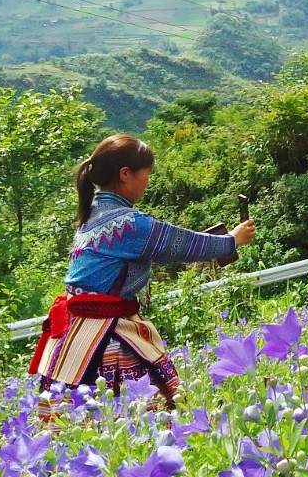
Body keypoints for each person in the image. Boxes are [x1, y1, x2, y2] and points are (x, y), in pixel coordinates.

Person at [29, 134, 256, 419]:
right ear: (125, 174)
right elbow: (182, 244)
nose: (148, 182)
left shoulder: (92, 214)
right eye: (146, 174)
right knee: (141, 416)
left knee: (72, 427)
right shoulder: (127, 225)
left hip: (75, 334)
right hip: (105, 336)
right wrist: (232, 240)